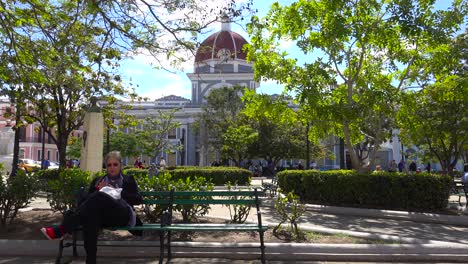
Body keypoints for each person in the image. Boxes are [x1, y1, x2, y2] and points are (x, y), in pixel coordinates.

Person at [40, 151, 143, 264]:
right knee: (91, 217)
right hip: (103, 217)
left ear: (120, 165)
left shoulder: (128, 179)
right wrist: (100, 190)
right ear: (106, 167)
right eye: (109, 165)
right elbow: (88, 202)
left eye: (115, 164)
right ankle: (91, 261)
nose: (112, 167)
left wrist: (113, 190)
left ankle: (62, 229)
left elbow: (138, 199)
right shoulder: (98, 181)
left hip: (122, 215)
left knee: (99, 198)